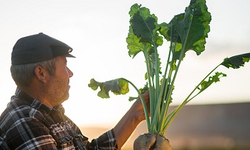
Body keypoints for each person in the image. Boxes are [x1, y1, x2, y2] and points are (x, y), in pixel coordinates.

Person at [0, 33, 150, 150]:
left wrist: (134, 116)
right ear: (41, 74)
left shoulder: (52, 114)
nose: (70, 73)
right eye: (64, 66)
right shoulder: (25, 122)